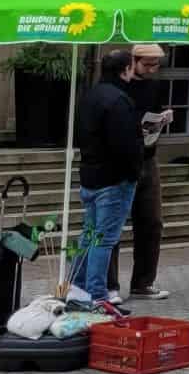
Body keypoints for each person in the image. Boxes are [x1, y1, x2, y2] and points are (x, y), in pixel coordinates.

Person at [71, 50, 143, 303]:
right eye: (132, 67)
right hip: (113, 180)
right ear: (125, 69)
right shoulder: (119, 100)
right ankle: (96, 293)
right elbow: (125, 144)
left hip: (91, 175)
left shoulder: (90, 96)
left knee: (89, 235)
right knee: (103, 239)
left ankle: (77, 287)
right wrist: (134, 172)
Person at [107, 43, 170, 301]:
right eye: (147, 65)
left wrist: (163, 119)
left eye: (156, 65)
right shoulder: (120, 86)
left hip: (148, 157)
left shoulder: (155, 85)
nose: (152, 70)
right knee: (113, 224)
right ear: (132, 62)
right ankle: (110, 284)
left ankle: (143, 282)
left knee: (152, 221)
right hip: (121, 160)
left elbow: (154, 114)